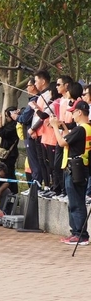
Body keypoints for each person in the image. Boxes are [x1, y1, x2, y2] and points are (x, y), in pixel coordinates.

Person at [49, 101, 91, 245]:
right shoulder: (87, 128)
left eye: (73, 112)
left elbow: (62, 143)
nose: (72, 115)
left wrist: (55, 127)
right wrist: (64, 128)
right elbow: (70, 140)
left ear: (79, 112)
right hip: (82, 168)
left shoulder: (80, 129)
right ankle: (76, 233)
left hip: (75, 169)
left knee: (76, 202)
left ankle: (80, 234)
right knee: (76, 200)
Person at [0, 106, 20, 194]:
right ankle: (8, 191)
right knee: (6, 173)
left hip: (10, 153)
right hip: (7, 152)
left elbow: (1, 133)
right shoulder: (9, 124)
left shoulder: (14, 125)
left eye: (7, 116)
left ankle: (12, 192)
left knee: (9, 173)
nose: (6, 118)